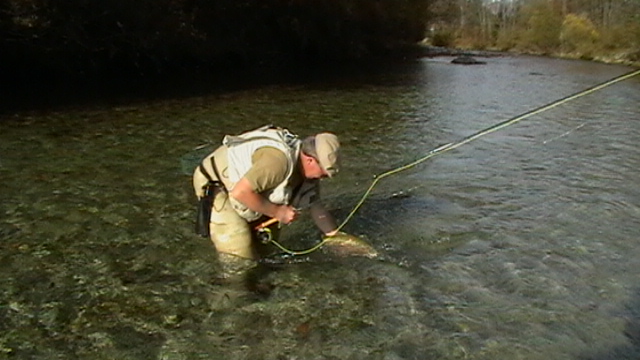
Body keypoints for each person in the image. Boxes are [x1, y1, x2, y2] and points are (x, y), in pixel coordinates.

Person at [192, 125, 341, 275]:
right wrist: (278, 212)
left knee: (266, 249)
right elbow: (241, 192)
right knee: (241, 261)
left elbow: (316, 207)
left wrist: (335, 236)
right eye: (323, 173)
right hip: (218, 184)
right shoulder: (278, 162)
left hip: (251, 185)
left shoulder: (307, 171)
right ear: (310, 160)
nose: (324, 178)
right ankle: (236, 292)